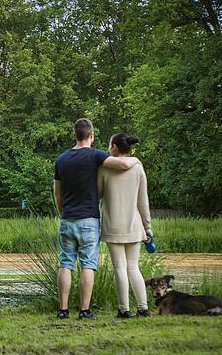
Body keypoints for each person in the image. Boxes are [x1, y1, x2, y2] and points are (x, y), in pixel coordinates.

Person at [53, 118, 139, 320]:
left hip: (67, 219)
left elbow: (57, 193)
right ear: (91, 135)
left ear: (74, 136)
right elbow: (124, 164)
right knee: (87, 265)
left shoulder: (61, 159)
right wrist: (135, 159)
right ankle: (84, 310)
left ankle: (63, 310)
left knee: (65, 264)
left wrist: (62, 213)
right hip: (89, 220)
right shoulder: (95, 156)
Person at [98, 133, 152, 318]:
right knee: (133, 267)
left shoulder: (104, 168)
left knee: (119, 268)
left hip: (113, 224)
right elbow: (143, 201)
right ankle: (143, 308)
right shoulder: (138, 167)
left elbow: (97, 193)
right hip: (135, 224)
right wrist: (148, 227)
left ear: (114, 146)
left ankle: (124, 309)